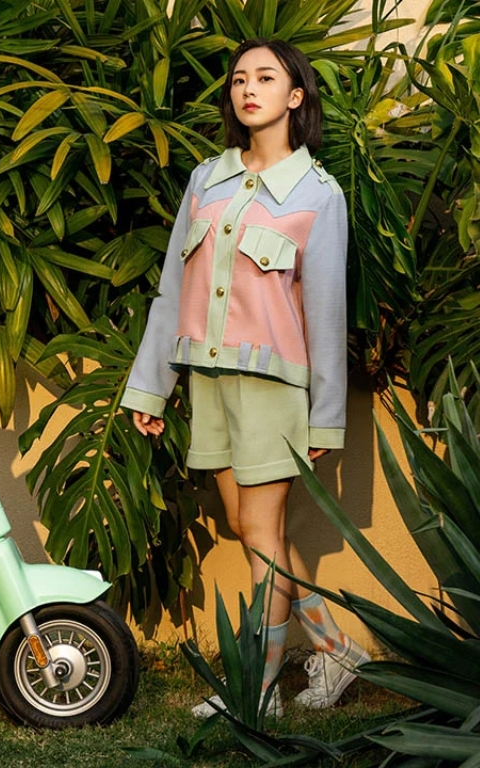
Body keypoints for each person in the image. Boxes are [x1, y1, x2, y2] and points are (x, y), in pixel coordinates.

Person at [122, 38, 370, 718]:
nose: (248, 89)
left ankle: (254, 693)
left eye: (265, 77)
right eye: (238, 79)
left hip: (272, 388)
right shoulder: (207, 180)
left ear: (296, 96)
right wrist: (152, 385)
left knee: (260, 531)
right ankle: (336, 650)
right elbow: (174, 289)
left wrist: (325, 417)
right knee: (247, 525)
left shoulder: (319, 194)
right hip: (209, 381)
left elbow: (325, 312)